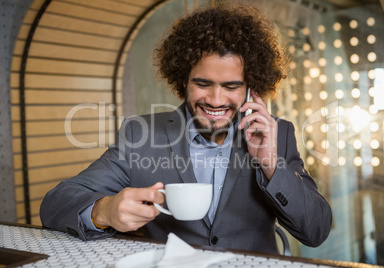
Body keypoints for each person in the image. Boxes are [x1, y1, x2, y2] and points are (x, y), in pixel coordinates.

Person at [40, 2, 332, 254]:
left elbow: (316, 230)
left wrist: (270, 163)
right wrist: (104, 211)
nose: (216, 100)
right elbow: (55, 204)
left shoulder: (278, 134)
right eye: (203, 84)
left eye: (231, 86)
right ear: (183, 81)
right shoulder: (139, 135)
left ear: (251, 87)